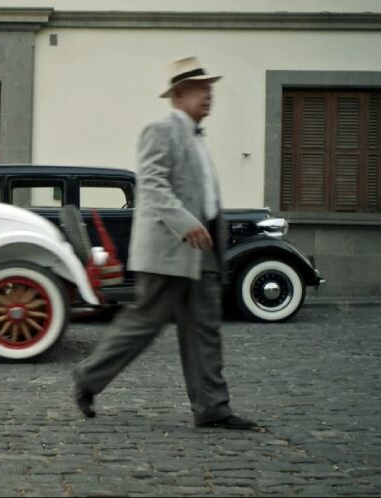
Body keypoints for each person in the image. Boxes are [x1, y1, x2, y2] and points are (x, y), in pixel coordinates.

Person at [72, 56, 257, 430]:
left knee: (205, 328)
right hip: (168, 249)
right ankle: (88, 378)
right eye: (201, 89)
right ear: (178, 95)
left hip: (202, 249)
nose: (209, 95)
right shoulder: (160, 130)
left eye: (210, 88)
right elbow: (153, 185)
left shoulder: (197, 138)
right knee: (143, 323)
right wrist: (185, 223)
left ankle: (212, 408)